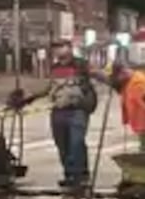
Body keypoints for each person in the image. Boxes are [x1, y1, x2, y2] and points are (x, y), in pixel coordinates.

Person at [10, 40, 98, 188]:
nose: (58, 51)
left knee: (76, 143)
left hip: (77, 110)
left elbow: (96, 78)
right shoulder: (54, 68)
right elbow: (48, 88)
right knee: (62, 144)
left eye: (61, 47)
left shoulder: (82, 65)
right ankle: (69, 174)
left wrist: (115, 82)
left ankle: (80, 175)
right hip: (58, 110)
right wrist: (27, 99)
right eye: (56, 48)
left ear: (70, 48)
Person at [110, 61, 145, 151]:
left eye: (118, 77)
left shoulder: (138, 83)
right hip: (144, 127)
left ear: (124, 72)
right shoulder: (128, 82)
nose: (118, 80)